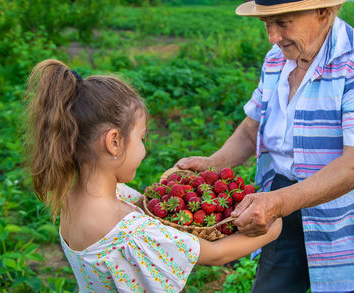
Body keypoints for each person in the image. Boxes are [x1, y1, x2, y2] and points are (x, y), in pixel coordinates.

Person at [175, 0, 354, 292]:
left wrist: (278, 202)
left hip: (346, 214)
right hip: (280, 198)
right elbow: (251, 128)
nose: (272, 36)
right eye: (267, 24)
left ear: (323, 12)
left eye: (283, 22)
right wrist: (213, 163)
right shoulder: (276, 58)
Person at [25, 59, 281, 292]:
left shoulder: (71, 198)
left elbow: (154, 213)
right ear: (114, 142)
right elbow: (216, 253)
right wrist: (276, 224)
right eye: (141, 137)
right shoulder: (130, 231)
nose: (144, 147)